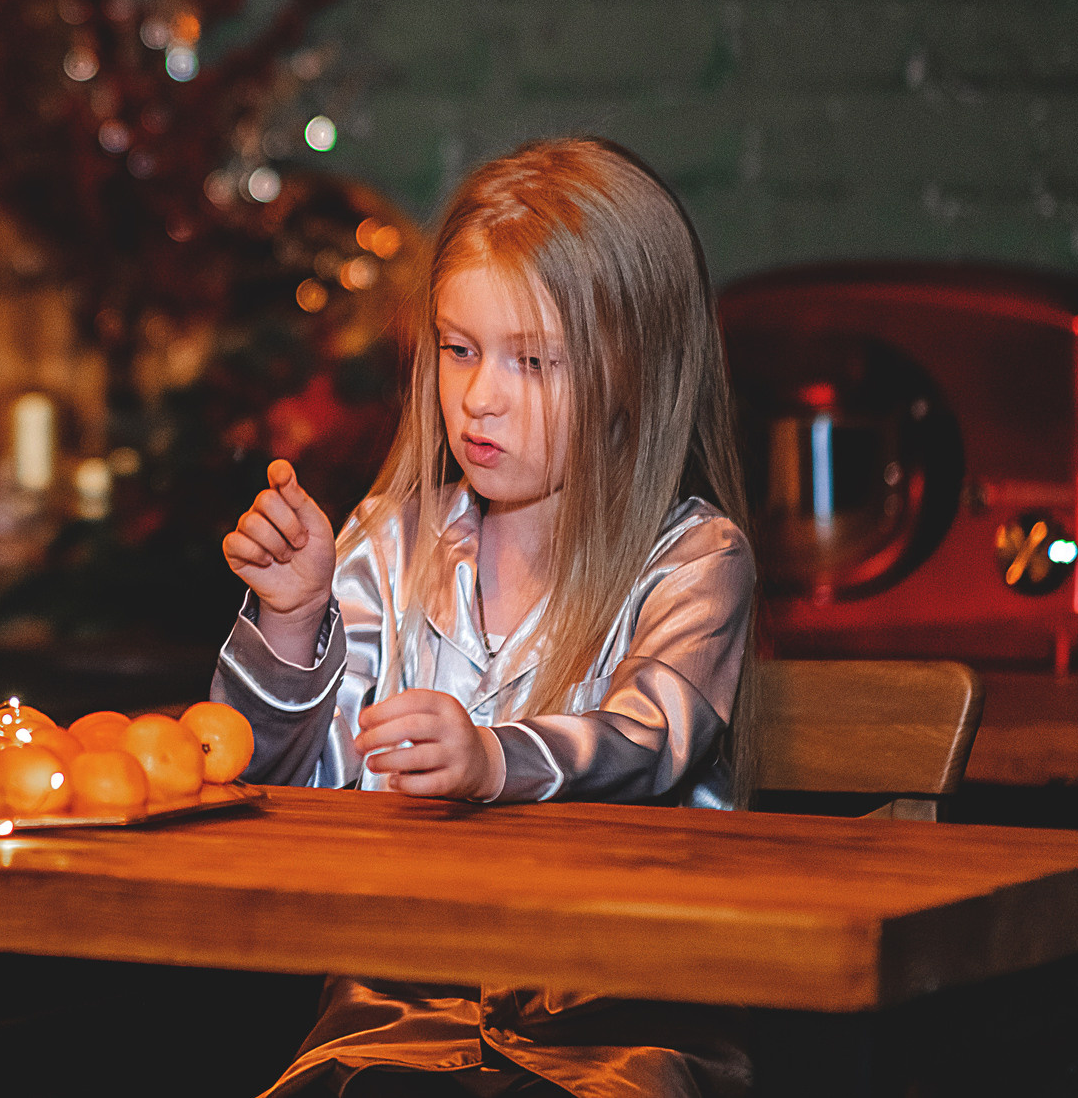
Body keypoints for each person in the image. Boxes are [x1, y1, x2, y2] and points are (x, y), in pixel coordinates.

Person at [214, 138, 759, 1098]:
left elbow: (653, 740)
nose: (481, 398)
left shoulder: (693, 562)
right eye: (460, 350)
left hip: (614, 1033)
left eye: (534, 362)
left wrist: (493, 759)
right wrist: (294, 621)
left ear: (635, 371)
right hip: (391, 1027)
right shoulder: (387, 542)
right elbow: (284, 794)